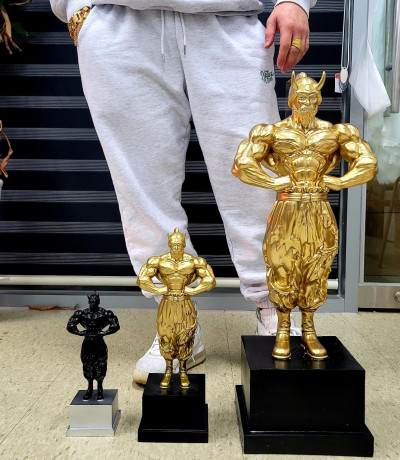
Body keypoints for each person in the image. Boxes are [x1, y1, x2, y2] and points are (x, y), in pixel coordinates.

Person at [49, 0, 316, 384]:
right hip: (118, 23)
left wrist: (296, 2)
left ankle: (278, 307)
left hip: (228, 19)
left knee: (257, 175)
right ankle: (177, 319)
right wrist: (76, 9)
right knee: (142, 186)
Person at [233, 71, 378, 360]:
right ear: (292, 99)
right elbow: (242, 164)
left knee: (317, 267)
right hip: (286, 208)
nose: (307, 103)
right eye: (301, 97)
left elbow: (368, 163)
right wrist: (272, 183)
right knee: (282, 267)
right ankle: (283, 329)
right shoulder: (271, 132)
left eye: (313, 97)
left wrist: (340, 181)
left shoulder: (336, 132)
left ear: (319, 99)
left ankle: (309, 330)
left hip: (318, 208)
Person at [137, 228, 216, 389]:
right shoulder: (159, 261)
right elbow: (142, 278)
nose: (176, 246)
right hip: (167, 303)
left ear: (184, 243)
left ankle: (183, 371)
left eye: (179, 243)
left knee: (185, 337)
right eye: (173, 243)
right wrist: (158, 290)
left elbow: (210, 280)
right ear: (169, 243)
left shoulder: (193, 262)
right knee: (166, 336)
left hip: (184, 303)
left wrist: (194, 291)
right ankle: (168, 371)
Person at [67, 292, 120, 399]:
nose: (93, 304)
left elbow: (115, 325)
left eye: (95, 302)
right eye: (91, 302)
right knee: (87, 364)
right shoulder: (82, 314)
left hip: (99, 342)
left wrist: (104, 332)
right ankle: (89, 388)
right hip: (87, 342)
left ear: (98, 302)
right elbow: (70, 325)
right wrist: (80, 332)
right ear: (89, 302)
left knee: (100, 364)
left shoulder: (104, 313)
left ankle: (100, 388)